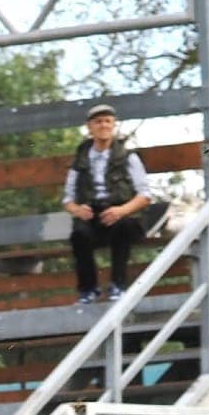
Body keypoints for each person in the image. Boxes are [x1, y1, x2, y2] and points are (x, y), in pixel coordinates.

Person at [63, 102, 154, 304]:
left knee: (123, 228)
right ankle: (88, 289)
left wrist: (121, 210)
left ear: (114, 125)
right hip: (92, 214)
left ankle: (118, 285)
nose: (103, 126)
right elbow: (67, 199)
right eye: (98, 122)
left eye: (107, 121)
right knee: (79, 235)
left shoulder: (128, 157)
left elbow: (144, 195)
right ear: (90, 127)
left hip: (123, 213)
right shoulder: (80, 160)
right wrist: (78, 209)